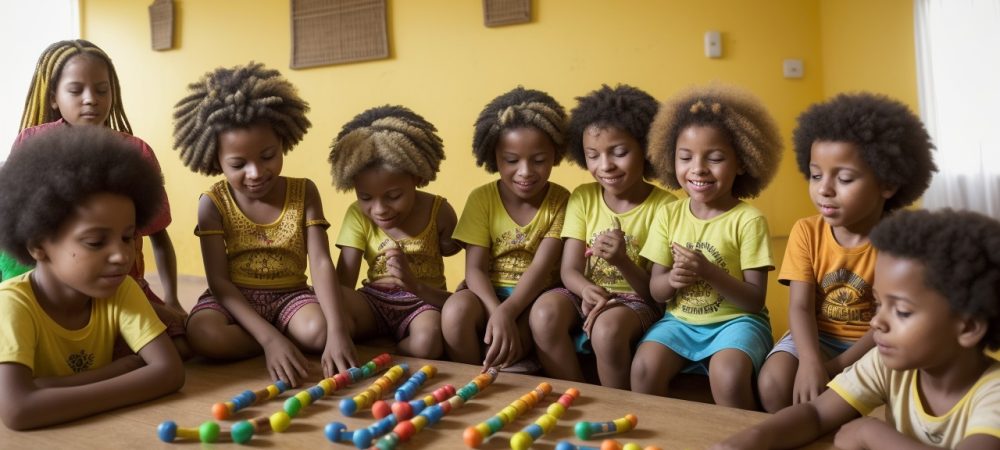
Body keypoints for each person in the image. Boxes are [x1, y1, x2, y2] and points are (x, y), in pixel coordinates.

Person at [712, 209, 1000, 450]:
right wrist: (744, 442)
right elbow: (815, 414)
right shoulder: (889, 366)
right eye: (877, 303)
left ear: (969, 327)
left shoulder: (993, 394)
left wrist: (870, 433)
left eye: (901, 311)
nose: (876, 322)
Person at [174, 62, 353, 386]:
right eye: (239, 164)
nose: (256, 173)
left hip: (290, 297)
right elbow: (219, 282)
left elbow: (322, 263)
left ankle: (279, 338)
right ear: (216, 160)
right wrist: (271, 340)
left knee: (321, 332)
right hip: (234, 300)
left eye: (268, 156)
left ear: (283, 142)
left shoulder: (304, 191)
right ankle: (275, 341)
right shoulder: (213, 202)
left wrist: (338, 334)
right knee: (204, 333)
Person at [756, 92, 937, 413]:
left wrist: (836, 367)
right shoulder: (806, 231)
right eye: (815, 175)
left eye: (844, 178)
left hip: (878, 342)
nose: (824, 188)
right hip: (815, 336)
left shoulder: (898, 243)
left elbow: (888, 322)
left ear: (888, 184)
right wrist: (811, 362)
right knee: (772, 384)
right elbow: (799, 308)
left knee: (881, 406)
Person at [7, 39, 187, 357]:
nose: (91, 100)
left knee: (184, 345)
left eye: (102, 90)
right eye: (76, 90)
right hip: (54, 289)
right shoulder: (33, 143)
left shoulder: (136, 151)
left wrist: (172, 299)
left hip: (118, 284)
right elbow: (18, 228)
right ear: (53, 97)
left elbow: (159, 237)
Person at [0, 126, 184, 430]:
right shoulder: (12, 304)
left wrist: (51, 387)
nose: (122, 256)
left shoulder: (120, 287)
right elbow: (18, 411)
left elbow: (170, 373)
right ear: (38, 245)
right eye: (96, 242)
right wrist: (120, 370)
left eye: (127, 238)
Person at [631, 84, 783, 409]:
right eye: (685, 157)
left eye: (714, 158)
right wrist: (673, 280)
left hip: (738, 323)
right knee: (644, 368)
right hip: (679, 322)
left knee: (727, 376)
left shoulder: (748, 220)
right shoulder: (668, 214)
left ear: (742, 162)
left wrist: (708, 271)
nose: (698, 168)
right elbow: (657, 290)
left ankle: (744, 440)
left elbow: (754, 301)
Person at [529, 84, 676, 389]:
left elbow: (657, 295)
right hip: (586, 291)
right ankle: (575, 396)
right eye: (592, 155)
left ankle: (616, 406)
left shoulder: (667, 207)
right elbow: (569, 270)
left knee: (607, 329)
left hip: (638, 300)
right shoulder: (584, 197)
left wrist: (621, 260)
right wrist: (586, 290)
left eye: (619, 152)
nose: (605, 165)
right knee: (543, 313)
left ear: (647, 149)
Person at [442, 87, 570, 371]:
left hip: (535, 296)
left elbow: (541, 268)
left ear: (554, 155)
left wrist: (509, 312)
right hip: (486, 293)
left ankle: (516, 365)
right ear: (494, 157)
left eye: (538, 160)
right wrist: (495, 310)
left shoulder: (561, 200)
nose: (525, 172)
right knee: (454, 313)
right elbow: (474, 269)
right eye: (511, 161)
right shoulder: (481, 198)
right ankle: (471, 382)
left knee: (508, 350)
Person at [328, 104, 460, 359]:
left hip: (422, 304)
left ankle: (388, 351)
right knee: (326, 307)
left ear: (417, 177)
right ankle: (378, 342)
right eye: (366, 197)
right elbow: (343, 281)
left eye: (393, 196)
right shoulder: (357, 214)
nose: (379, 209)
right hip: (373, 301)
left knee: (428, 342)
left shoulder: (439, 211)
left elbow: (454, 248)